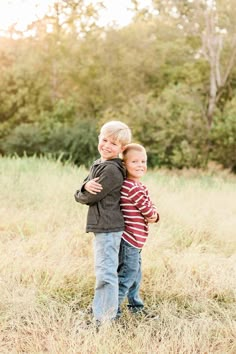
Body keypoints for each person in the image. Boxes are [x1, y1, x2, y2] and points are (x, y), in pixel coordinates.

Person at [74, 120, 132, 325]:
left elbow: (87, 197)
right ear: (99, 137)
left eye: (113, 144)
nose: (107, 145)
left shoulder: (110, 170)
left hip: (109, 227)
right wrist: (83, 187)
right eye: (105, 139)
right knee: (105, 269)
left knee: (106, 271)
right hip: (104, 227)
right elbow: (82, 192)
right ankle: (103, 310)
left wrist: (82, 190)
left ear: (122, 149)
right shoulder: (100, 164)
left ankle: (103, 319)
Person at [117, 143, 159, 317]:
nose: (141, 165)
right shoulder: (130, 187)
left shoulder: (139, 186)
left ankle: (136, 307)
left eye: (143, 161)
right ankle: (111, 312)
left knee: (135, 275)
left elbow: (149, 205)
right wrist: (154, 215)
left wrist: (153, 211)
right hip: (130, 239)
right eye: (135, 161)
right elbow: (149, 211)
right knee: (127, 276)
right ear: (124, 165)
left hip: (137, 240)